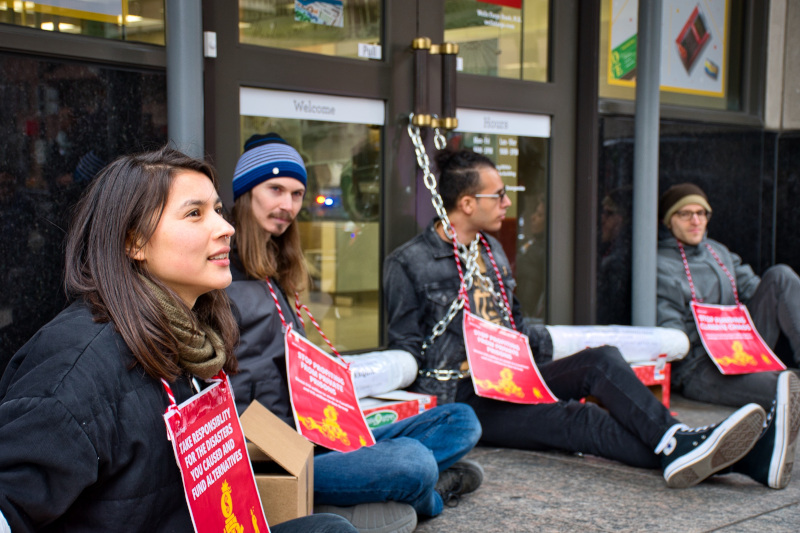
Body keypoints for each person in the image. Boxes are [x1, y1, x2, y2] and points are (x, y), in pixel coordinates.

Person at [0, 148, 357, 533]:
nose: (226, 228)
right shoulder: (76, 365)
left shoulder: (193, 339)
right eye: (194, 214)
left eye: (217, 210)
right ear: (135, 242)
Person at [384, 148, 784, 491]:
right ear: (468, 204)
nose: (507, 202)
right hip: (465, 398)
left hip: (513, 374)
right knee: (579, 419)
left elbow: (516, 325)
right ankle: (732, 456)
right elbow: (406, 350)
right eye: (499, 194)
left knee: (601, 359)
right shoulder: (408, 263)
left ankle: (676, 439)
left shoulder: (491, 250)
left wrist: (550, 352)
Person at [225, 133, 484, 533]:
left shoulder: (275, 268)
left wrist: (330, 390)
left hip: (315, 429)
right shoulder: (218, 271)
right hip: (275, 455)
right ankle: (428, 493)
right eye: (275, 189)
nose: (288, 205)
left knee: (460, 420)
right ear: (246, 192)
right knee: (412, 462)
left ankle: (388, 490)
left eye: (296, 194)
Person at [657, 182, 800, 488]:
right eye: (685, 214)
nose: (696, 220)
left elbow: (759, 289)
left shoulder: (718, 251)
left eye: (701, 213)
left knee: (781, 276)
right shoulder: (659, 264)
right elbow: (670, 330)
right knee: (788, 387)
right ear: (669, 221)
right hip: (701, 366)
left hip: (741, 346)